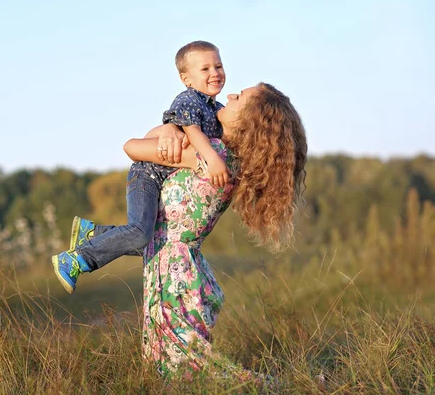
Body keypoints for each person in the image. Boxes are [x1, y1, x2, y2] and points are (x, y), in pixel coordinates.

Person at [121, 83, 307, 379]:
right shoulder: (225, 157)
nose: (230, 95)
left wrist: (172, 130)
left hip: (172, 270)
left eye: (241, 97)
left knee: (181, 371)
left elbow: (132, 147)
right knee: (174, 367)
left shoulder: (212, 155)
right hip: (180, 265)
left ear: (252, 119)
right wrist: (175, 130)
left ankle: (278, 387)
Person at [52, 40, 229, 294]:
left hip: (161, 181)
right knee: (140, 234)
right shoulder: (190, 99)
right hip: (147, 175)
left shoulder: (215, 108)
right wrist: (211, 159)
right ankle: (78, 259)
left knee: (156, 241)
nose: (215, 73)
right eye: (205, 69)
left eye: (218, 66)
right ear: (186, 78)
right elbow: (191, 130)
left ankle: (93, 232)